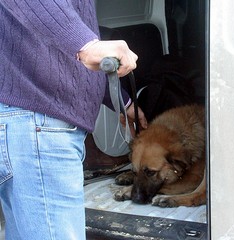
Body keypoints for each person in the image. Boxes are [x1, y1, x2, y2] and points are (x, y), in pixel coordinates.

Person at [0, 1, 147, 239]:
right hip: (39, 124)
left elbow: (79, 66)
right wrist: (85, 44)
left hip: (36, 124)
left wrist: (124, 103)